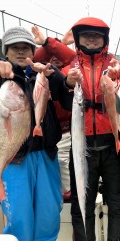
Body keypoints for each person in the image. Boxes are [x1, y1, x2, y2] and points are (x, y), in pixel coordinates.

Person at [0, 26, 71, 241]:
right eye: (14, 47)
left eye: (25, 47)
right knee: (19, 212)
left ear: (33, 51)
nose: (20, 51)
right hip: (14, 158)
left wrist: (61, 79)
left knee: (49, 209)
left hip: (46, 154)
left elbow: (67, 97)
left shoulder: (44, 73)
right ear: (5, 51)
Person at [63, 17, 120, 241]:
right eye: (86, 36)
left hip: (112, 143)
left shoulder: (115, 65)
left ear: (105, 40)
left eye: (97, 36)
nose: (92, 39)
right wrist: (65, 83)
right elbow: (58, 97)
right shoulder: (69, 67)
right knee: (83, 196)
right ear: (78, 39)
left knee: (118, 196)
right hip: (82, 145)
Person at [32, 25, 77, 200]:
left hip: (66, 130)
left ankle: (68, 194)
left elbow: (72, 57)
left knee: (64, 163)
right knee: (53, 166)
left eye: (59, 55)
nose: (56, 59)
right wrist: (56, 43)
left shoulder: (70, 73)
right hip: (45, 132)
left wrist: (60, 45)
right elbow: (33, 58)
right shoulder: (38, 73)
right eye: (52, 56)